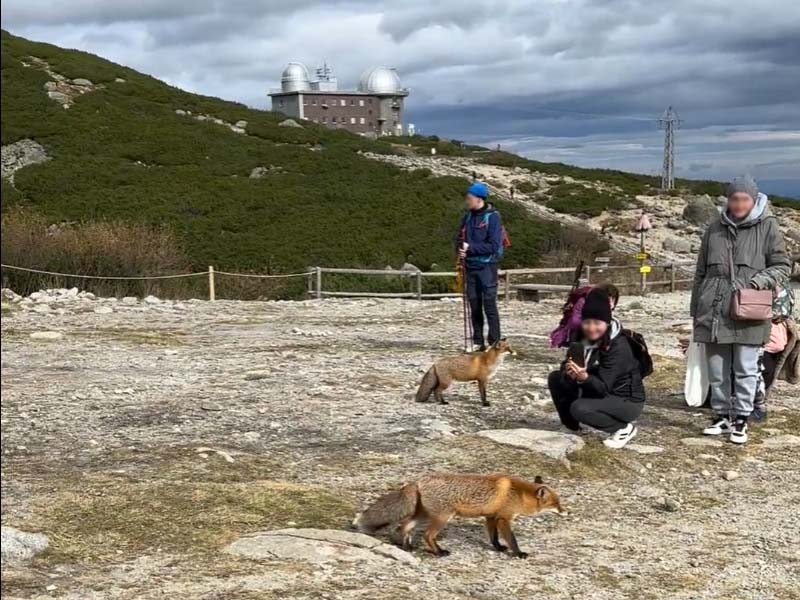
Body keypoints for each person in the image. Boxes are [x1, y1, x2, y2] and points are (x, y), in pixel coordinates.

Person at [692, 174, 790, 444]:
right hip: (712, 310)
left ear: (754, 199)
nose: (739, 203)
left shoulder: (768, 226)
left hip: (749, 309)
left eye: (744, 198)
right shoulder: (714, 228)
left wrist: (758, 281)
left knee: (746, 368)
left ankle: (742, 419)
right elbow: (700, 273)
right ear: (728, 199)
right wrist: (695, 311)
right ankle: (722, 415)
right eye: (734, 198)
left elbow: (783, 266)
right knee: (716, 369)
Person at [547, 288, 645, 449]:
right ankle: (571, 427)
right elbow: (570, 363)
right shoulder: (581, 336)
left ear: (606, 322)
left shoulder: (619, 346)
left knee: (579, 408)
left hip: (625, 399)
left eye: (597, 323)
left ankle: (623, 429)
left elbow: (604, 387)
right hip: (594, 386)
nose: (592, 328)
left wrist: (584, 378)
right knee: (556, 378)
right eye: (587, 322)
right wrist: (569, 371)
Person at [457, 181, 504, 351]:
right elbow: (459, 238)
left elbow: (493, 245)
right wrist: (461, 250)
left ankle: (495, 341)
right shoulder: (467, 216)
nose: (467, 200)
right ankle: (478, 341)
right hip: (470, 266)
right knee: (474, 304)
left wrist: (471, 249)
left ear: (479, 198)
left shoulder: (493, 217)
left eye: (469, 198)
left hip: (487, 267)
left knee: (489, 305)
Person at [549, 283, 620, 348]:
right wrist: (589, 324)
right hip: (578, 334)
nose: (611, 302)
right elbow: (575, 321)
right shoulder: (584, 302)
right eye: (609, 298)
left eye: (613, 298)